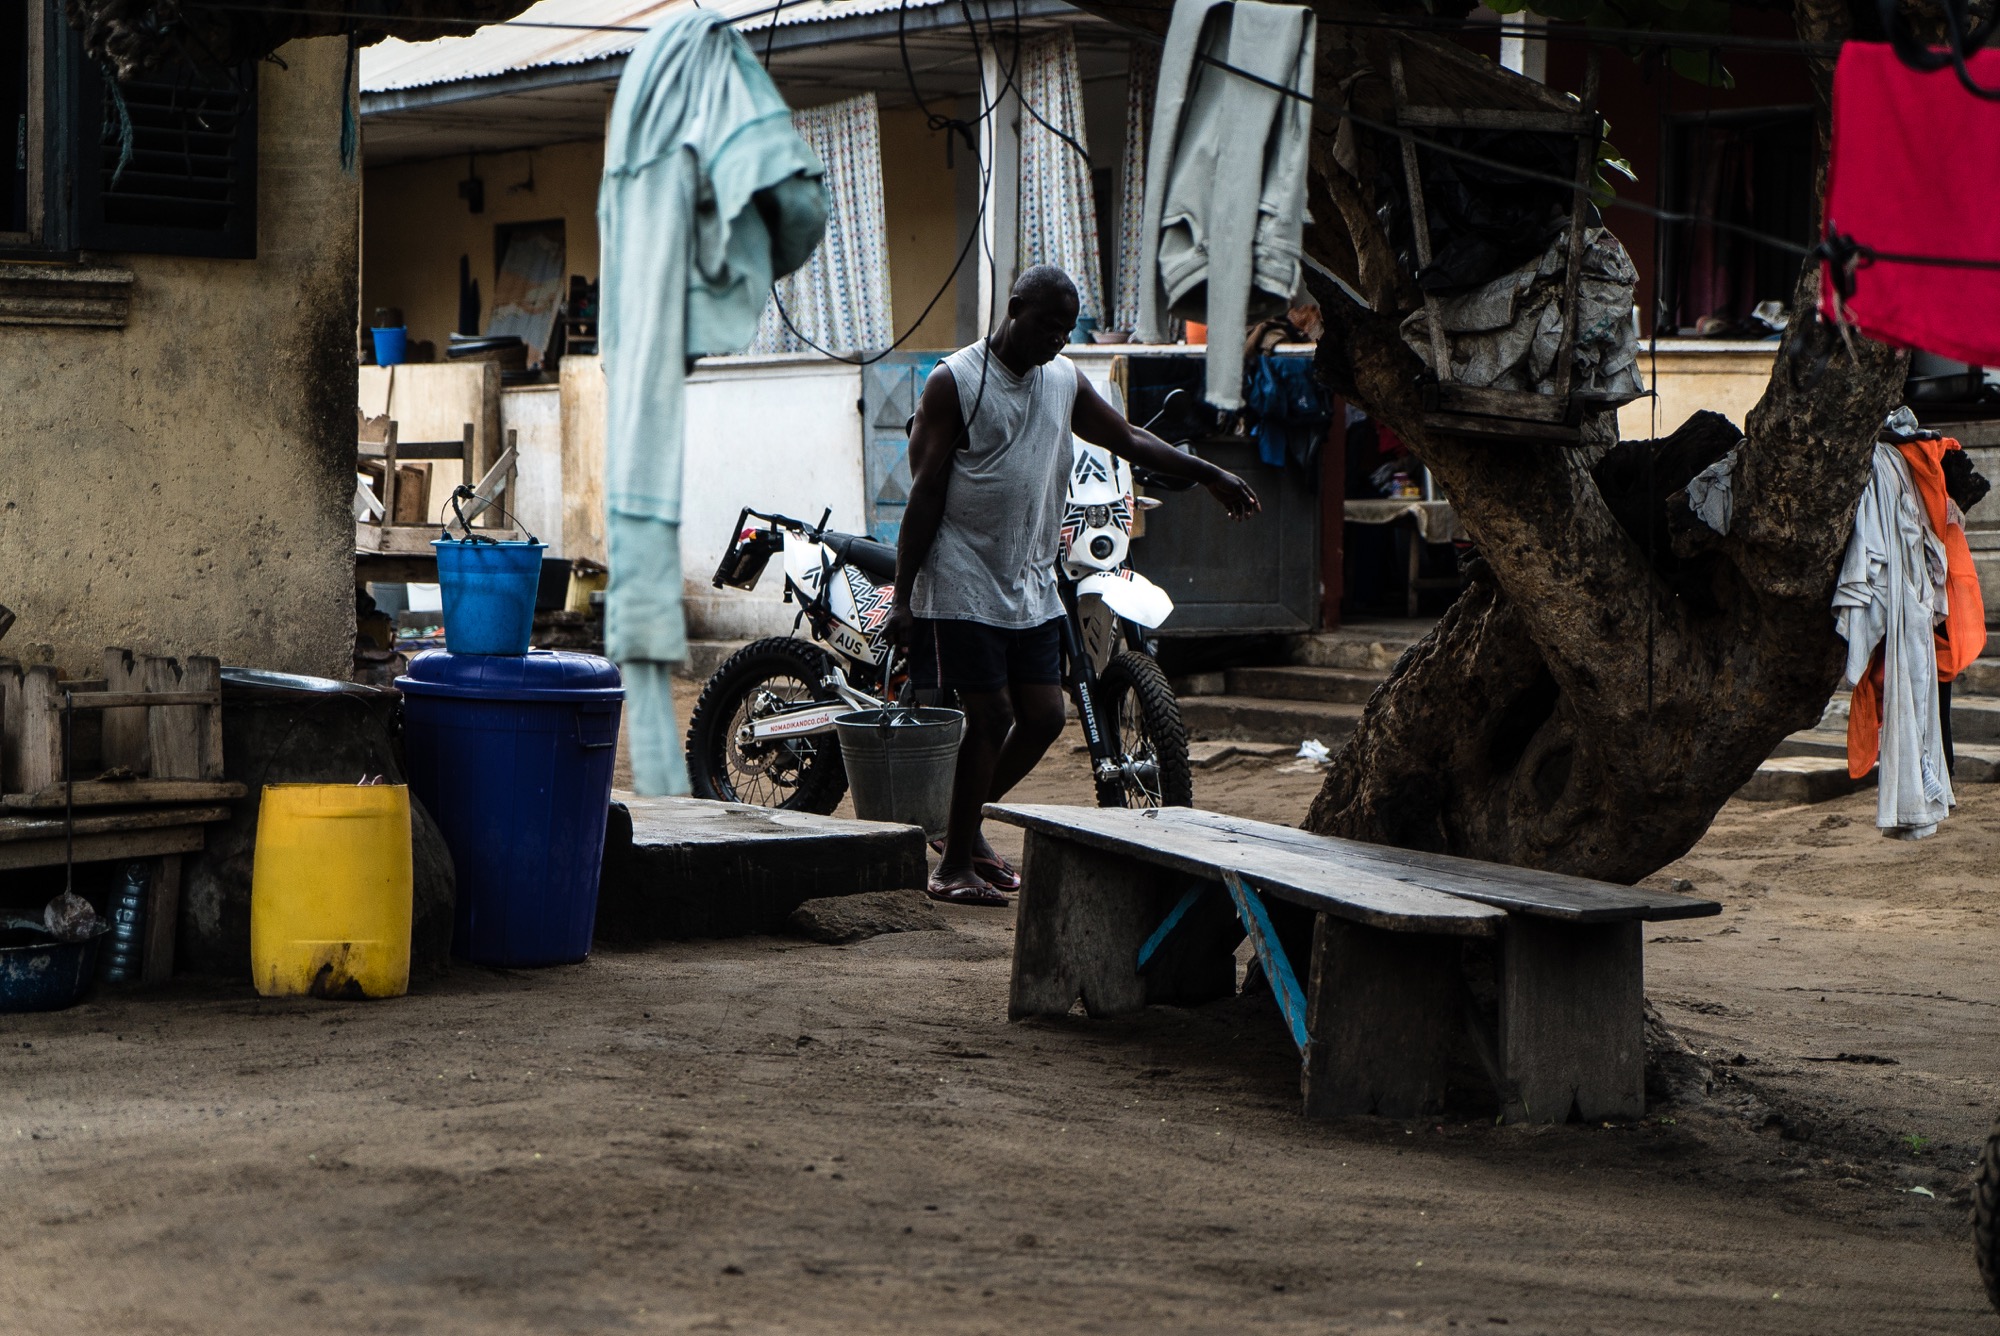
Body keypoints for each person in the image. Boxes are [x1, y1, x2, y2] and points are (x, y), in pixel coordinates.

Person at [887, 265, 1261, 904]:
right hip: (964, 576)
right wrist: (903, 596)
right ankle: (952, 869)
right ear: (1013, 309)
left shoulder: (1062, 379)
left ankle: (962, 834)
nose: (1057, 340)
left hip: (1031, 578)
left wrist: (1206, 473)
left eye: (1066, 329)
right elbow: (923, 496)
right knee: (992, 716)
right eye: (1046, 325)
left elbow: (1126, 436)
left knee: (1043, 717)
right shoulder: (957, 381)